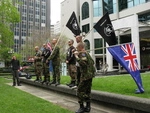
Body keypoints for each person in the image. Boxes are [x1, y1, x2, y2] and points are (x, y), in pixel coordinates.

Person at [74, 42, 95, 113]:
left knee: (79, 91)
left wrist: (77, 57)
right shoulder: (87, 54)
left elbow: (83, 64)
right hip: (90, 75)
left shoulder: (83, 54)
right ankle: (88, 107)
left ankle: (82, 107)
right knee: (87, 91)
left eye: (77, 48)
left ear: (80, 47)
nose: (77, 49)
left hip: (85, 76)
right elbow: (92, 62)